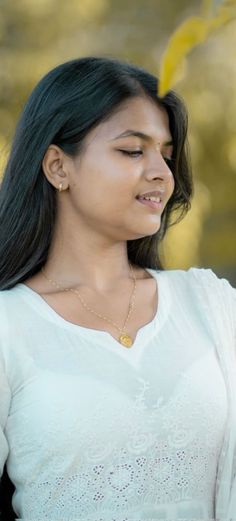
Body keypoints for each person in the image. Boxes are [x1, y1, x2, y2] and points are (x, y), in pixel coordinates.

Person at [0, 55, 235, 521]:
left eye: (166, 155)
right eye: (133, 151)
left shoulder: (211, 305)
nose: (162, 174)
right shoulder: (10, 327)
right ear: (57, 167)